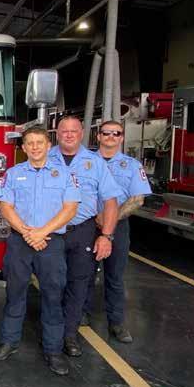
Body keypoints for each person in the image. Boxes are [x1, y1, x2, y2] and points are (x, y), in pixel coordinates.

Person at [0, 126, 80, 376]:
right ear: (23, 147)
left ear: (48, 146)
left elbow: (70, 209)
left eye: (39, 142)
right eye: (29, 143)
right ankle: (9, 342)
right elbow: (5, 207)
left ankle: (53, 350)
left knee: (53, 296)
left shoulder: (65, 174)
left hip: (51, 242)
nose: (35, 147)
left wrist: (42, 232)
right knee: (15, 293)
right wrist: (27, 232)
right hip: (20, 242)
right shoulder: (13, 174)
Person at [49, 116, 120, 357]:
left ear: (82, 134)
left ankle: (69, 335)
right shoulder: (44, 158)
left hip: (83, 231)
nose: (69, 135)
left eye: (74, 131)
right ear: (57, 133)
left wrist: (106, 236)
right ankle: (51, 333)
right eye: (64, 131)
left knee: (78, 284)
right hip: (51, 232)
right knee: (52, 284)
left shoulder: (96, 163)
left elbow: (111, 202)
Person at [83, 120, 152, 343]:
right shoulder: (85, 161)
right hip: (88, 224)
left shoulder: (132, 165)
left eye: (116, 133)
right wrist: (95, 216)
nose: (111, 137)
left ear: (122, 137)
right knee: (83, 273)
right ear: (98, 136)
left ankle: (116, 323)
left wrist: (110, 219)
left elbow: (137, 199)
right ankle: (81, 314)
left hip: (118, 226)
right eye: (106, 133)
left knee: (114, 276)